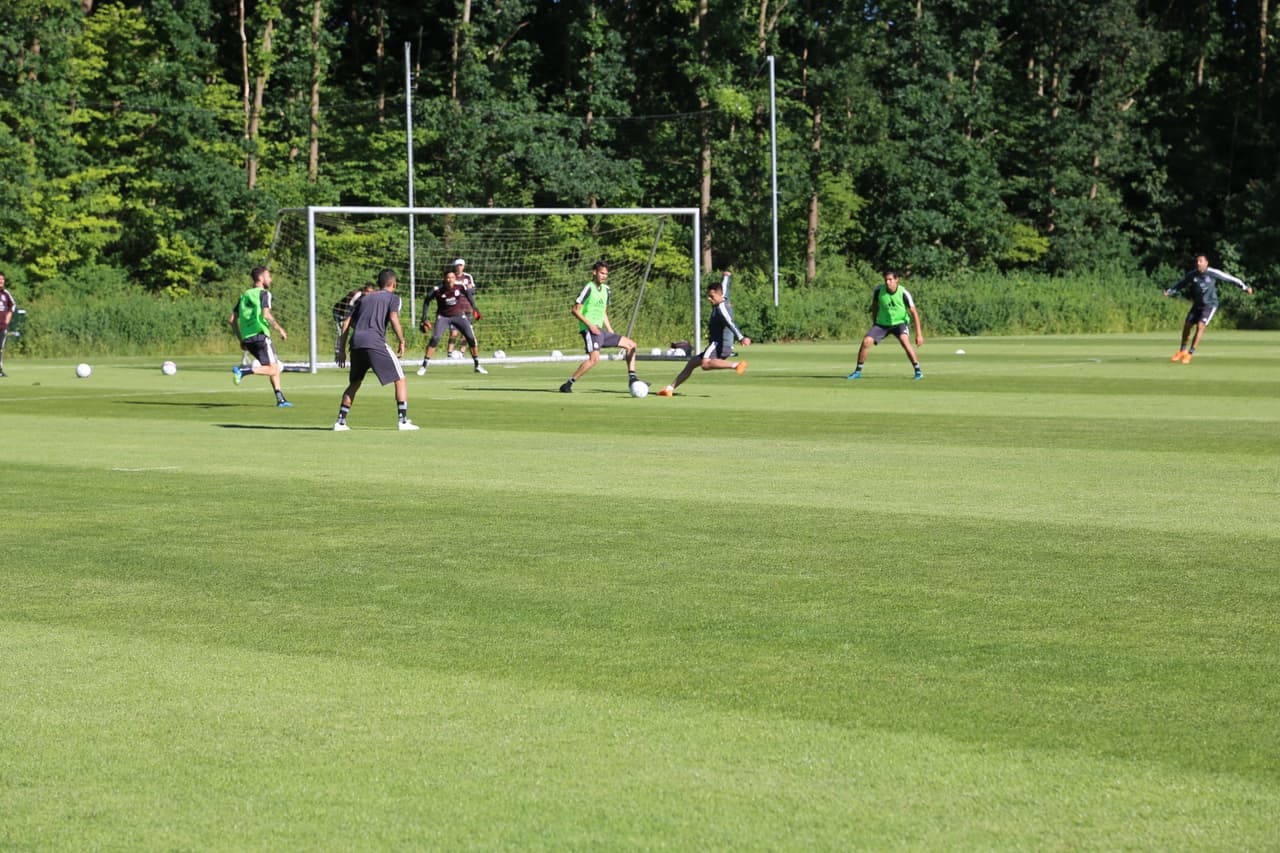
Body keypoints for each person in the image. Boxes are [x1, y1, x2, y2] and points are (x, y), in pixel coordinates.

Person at [333, 267, 419, 431]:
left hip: (356, 343)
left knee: (355, 383)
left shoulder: (363, 298)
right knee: (400, 379)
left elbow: (346, 323)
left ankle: (340, 422)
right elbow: (393, 318)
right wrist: (401, 340)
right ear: (394, 283)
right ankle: (403, 421)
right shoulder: (393, 298)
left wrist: (341, 349)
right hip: (375, 342)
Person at [655, 280, 750, 396]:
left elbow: (731, 323)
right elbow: (725, 288)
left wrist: (741, 337)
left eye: (712, 296)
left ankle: (736, 365)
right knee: (692, 363)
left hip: (719, 344)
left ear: (720, 295)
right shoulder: (722, 300)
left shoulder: (721, 308)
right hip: (720, 344)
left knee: (705, 365)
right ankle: (669, 389)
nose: (709, 299)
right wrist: (726, 277)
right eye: (708, 296)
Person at [559, 261, 641, 393]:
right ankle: (568, 384)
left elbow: (603, 312)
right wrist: (590, 325)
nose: (604, 276)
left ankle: (632, 378)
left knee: (631, 345)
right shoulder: (589, 287)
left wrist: (611, 331)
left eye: (606, 274)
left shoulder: (607, 290)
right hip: (590, 330)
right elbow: (575, 310)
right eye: (602, 273)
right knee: (594, 359)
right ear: (594, 272)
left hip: (601, 332)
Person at [1164, 253, 1253, 363]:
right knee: (1187, 326)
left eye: (1201, 261)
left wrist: (1245, 287)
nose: (1198, 263)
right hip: (1197, 305)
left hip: (1210, 305)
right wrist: (1170, 291)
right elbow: (1181, 284)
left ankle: (1190, 353)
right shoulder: (1192, 275)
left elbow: (1230, 279)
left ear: (1206, 263)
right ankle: (1182, 351)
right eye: (1197, 261)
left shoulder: (1212, 273)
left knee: (1200, 326)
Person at [229, 266, 292, 406]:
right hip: (260, 335)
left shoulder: (244, 295)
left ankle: (280, 399)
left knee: (273, 365)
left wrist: (241, 339)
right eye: (269, 276)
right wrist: (280, 329)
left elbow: (232, 319)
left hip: (248, 338)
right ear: (261, 278)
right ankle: (243, 370)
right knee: (275, 368)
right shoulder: (264, 294)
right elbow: (266, 314)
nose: (271, 279)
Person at [847, 269, 923, 381]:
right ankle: (858, 372)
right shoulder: (878, 290)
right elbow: (874, 306)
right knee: (866, 341)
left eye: (890, 279)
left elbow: (914, 313)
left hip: (899, 323)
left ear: (897, 280)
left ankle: (918, 371)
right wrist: (874, 322)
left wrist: (919, 334)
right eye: (886, 280)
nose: (888, 282)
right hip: (882, 324)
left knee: (904, 341)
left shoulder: (903, 293)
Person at [416, 268, 487, 376]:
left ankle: (477, 365)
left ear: (455, 278)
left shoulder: (460, 285)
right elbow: (427, 300)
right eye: (448, 278)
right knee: (435, 338)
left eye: (452, 277)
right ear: (444, 279)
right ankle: (424, 366)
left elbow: (469, 295)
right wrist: (424, 317)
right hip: (443, 317)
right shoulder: (437, 289)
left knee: (471, 338)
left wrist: (475, 308)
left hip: (458, 315)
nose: (450, 280)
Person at [332, 282, 375, 367]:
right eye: (367, 292)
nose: (369, 294)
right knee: (341, 331)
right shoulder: (356, 295)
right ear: (364, 290)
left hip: (352, 315)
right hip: (340, 313)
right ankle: (339, 353)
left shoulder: (373, 297)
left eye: (371, 292)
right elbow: (349, 310)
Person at [445, 258, 481, 358]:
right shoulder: (452, 277)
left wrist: (469, 289)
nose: (459, 267)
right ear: (455, 267)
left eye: (461, 265)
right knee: (453, 332)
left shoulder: (468, 277)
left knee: (466, 332)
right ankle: (450, 353)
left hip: (467, 308)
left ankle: (461, 352)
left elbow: (473, 290)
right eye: (458, 265)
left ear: (463, 266)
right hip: (455, 308)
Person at [0, 272, 14, 378]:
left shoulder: (5, 294)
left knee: (0, 349)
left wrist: (7, 320)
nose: (1, 281)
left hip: (2, 327)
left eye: (2, 279)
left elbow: (12, 306)